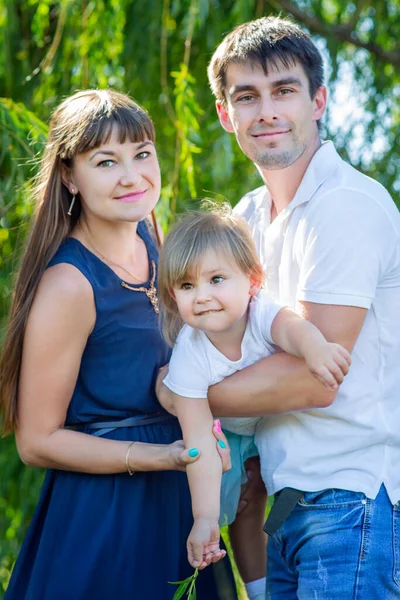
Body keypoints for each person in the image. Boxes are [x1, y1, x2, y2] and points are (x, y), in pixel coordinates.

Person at [0, 89, 237, 600]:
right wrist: (162, 457)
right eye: (106, 162)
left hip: (180, 499)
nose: (132, 176)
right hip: (107, 513)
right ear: (69, 176)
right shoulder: (69, 283)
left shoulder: (157, 241)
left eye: (142, 154)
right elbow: (36, 441)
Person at [203, 14, 400, 600]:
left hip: (351, 500)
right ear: (225, 114)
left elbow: (317, 380)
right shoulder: (244, 219)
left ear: (317, 100)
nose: (266, 111)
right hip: (284, 508)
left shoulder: (346, 205)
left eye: (283, 91)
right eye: (247, 97)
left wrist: (186, 395)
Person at [157, 205, 351, 599]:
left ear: (253, 280)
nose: (203, 296)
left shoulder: (261, 312)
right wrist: (204, 517)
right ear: (172, 294)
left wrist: (316, 350)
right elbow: (200, 443)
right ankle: (258, 591)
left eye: (216, 279)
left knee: (266, 496)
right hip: (225, 435)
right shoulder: (189, 356)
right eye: (187, 286)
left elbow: (293, 329)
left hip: (269, 430)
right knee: (241, 513)